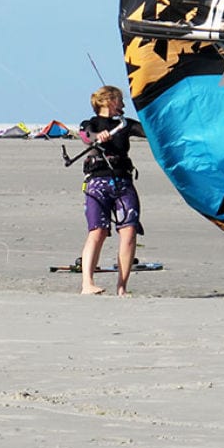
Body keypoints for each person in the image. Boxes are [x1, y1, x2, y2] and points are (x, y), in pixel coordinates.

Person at [77, 85, 145, 296]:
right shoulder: (91, 123)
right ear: (109, 101)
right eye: (120, 100)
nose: (124, 105)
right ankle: (87, 283)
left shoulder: (125, 124)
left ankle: (122, 287)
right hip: (98, 183)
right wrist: (99, 135)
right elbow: (86, 135)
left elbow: (148, 131)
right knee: (97, 231)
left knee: (129, 231)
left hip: (123, 182)